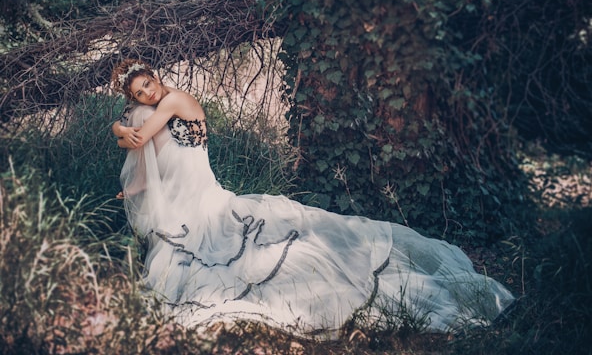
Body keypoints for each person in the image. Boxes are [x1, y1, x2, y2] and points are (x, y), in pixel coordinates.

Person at [110, 59, 515, 339]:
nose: (147, 93)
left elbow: (139, 136)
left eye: (147, 83)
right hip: (191, 199)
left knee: (258, 255)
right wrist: (129, 176)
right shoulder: (155, 109)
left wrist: (116, 126)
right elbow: (151, 151)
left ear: (155, 76)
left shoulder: (174, 100)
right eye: (139, 92)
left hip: (206, 197)